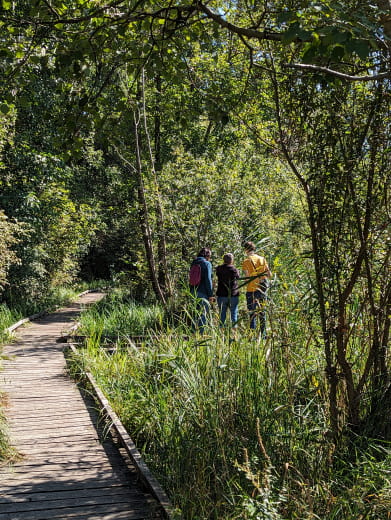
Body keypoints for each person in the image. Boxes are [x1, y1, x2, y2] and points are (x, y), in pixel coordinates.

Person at [241, 241, 271, 337]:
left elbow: (247, 277)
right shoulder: (262, 259)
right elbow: (269, 274)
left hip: (251, 290)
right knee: (262, 313)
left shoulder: (246, 261)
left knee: (252, 314)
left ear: (246, 250)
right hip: (262, 289)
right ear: (254, 249)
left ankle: (252, 336)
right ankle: (264, 335)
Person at [189, 247, 214, 332]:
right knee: (203, 314)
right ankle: (201, 335)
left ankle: (193, 333)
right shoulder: (206, 263)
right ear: (207, 256)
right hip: (203, 292)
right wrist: (210, 294)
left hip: (193, 291)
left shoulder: (193, 263)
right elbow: (208, 279)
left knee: (195, 313)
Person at [216, 253, 240, 328]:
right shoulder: (234, 269)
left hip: (222, 295)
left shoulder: (219, 269)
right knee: (234, 315)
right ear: (232, 260)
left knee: (222, 315)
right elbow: (238, 277)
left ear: (223, 260)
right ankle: (234, 334)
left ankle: (221, 335)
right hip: (233, 295)